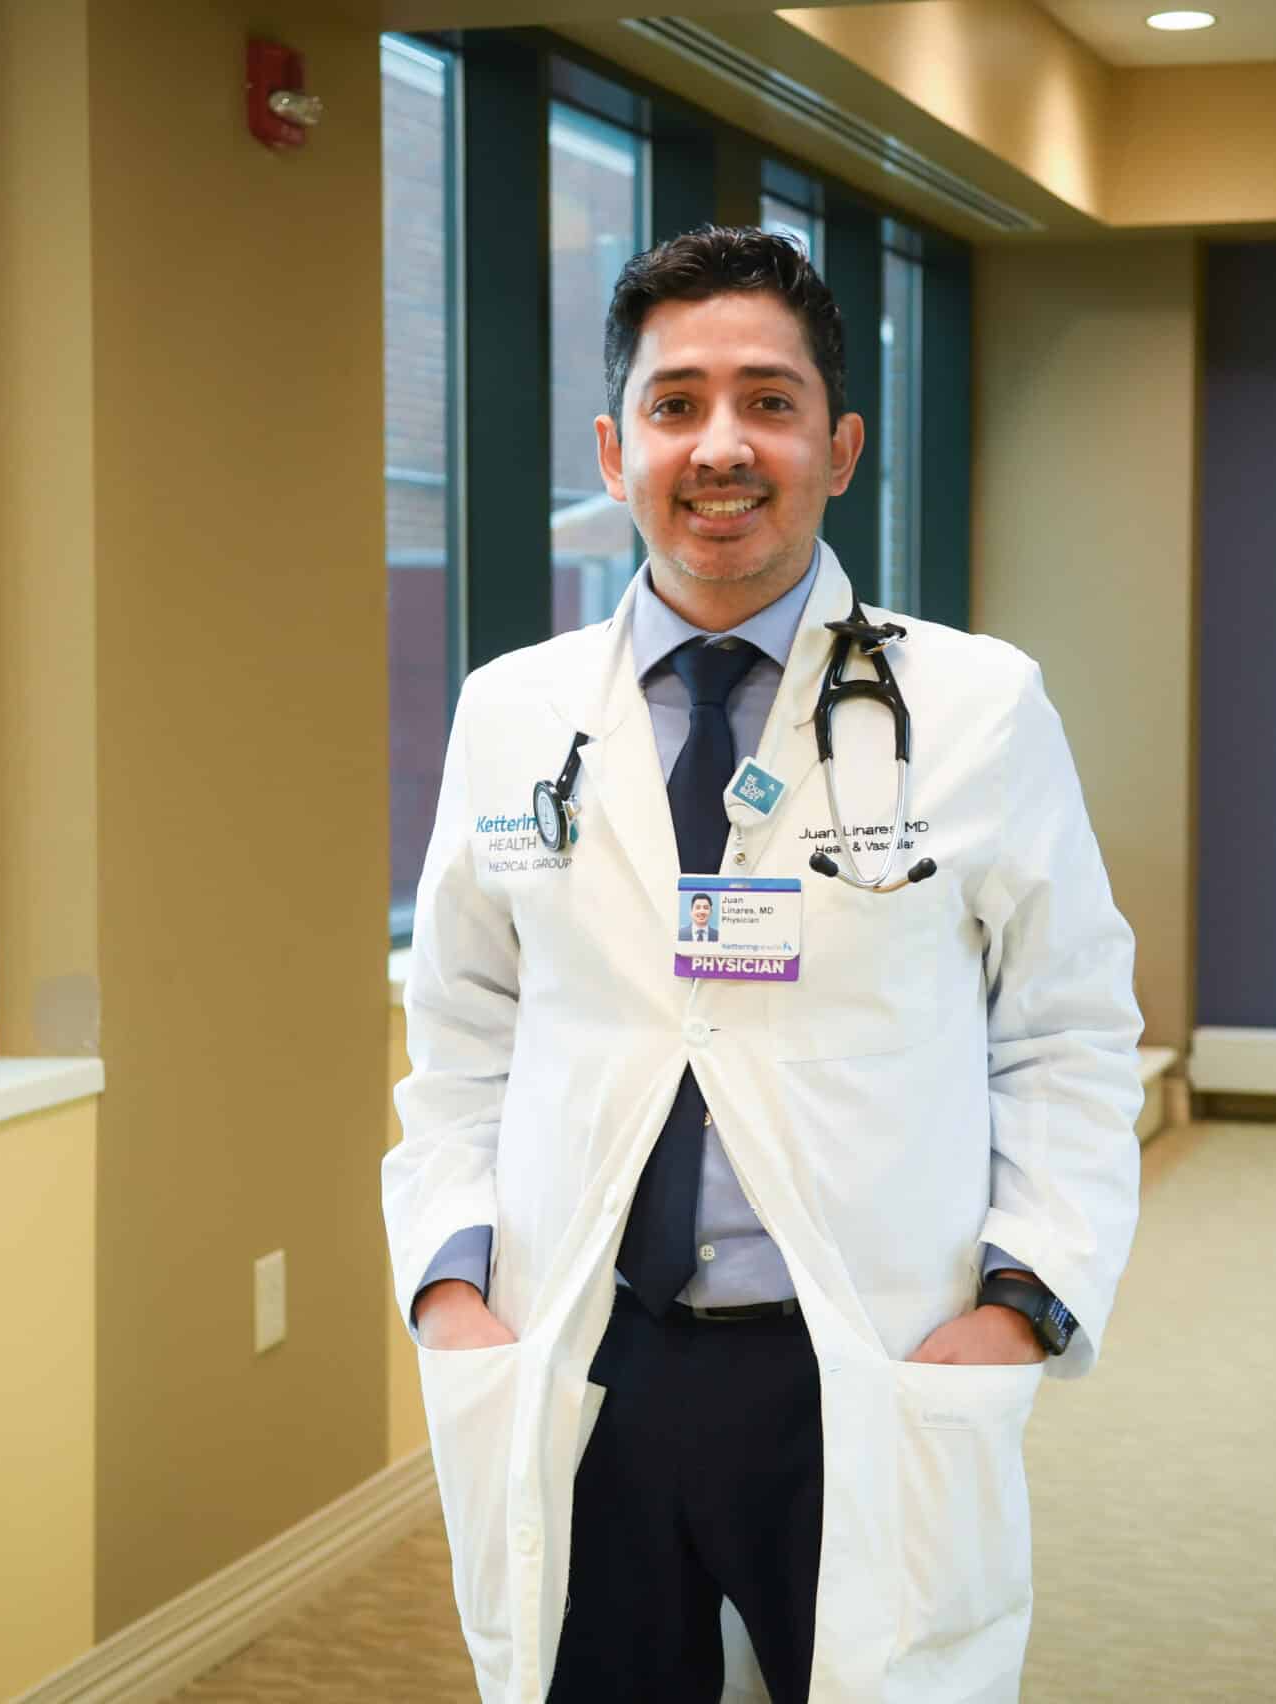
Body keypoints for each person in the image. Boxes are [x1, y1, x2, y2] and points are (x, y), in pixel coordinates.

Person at [383, 226, 1142, 1704]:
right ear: (616, 449)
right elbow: (463, 1028)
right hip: (586, 1346)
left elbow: (1065, 1031)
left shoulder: (977, 707)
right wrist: (451, 1279)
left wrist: (1023, 1301)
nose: (720, 445)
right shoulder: (513, 712)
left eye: (769, 402)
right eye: (676, 405)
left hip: (860, 1351)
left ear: (841, 446)